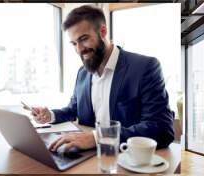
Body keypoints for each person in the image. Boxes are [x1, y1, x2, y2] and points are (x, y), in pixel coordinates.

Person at [32, 5, 174, 151]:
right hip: (89, 156)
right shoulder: (82, 73)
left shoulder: (145, 67)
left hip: (125, 158)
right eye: (74, 43)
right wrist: (50, 115)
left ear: (103, 31)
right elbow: (73, 109)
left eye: (84, 39)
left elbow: (161, 128)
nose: (79, 49)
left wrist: (97, 137)